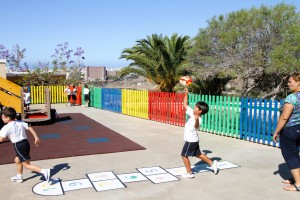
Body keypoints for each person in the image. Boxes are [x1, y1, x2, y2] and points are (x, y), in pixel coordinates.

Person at [0, 107, 51, 183]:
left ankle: (44, 171)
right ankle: (19, 176)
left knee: (26, 165)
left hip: (18, 145)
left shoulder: (6, 128)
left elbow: (1, 139)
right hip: (25, 143)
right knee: (17, 160)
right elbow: (29, 127)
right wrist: (36, 137)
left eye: (3, 116)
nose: (1, 118)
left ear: (8, 118)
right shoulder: (20, 122)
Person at [181, 87, 218, 178]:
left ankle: (189, 173)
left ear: (200, 111)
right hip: (194, 140)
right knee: (198, 154)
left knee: (184, 155)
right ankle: (212, 164)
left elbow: (196, 127)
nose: (194, 107)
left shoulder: (199, 120)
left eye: (196, 107)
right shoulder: (192, 113)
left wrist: (196, 120)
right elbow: (185, 105)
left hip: (191, 141)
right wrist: (186, 94)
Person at [273, 73, 300, 192]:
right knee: (295, 154)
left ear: (298, 83)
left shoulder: (292, 98)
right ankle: (295, 178)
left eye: (290, 82)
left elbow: (284, 117)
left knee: (289, 155)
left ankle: (298, 184)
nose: (288, 84)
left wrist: (276, 131)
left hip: (290, 130)